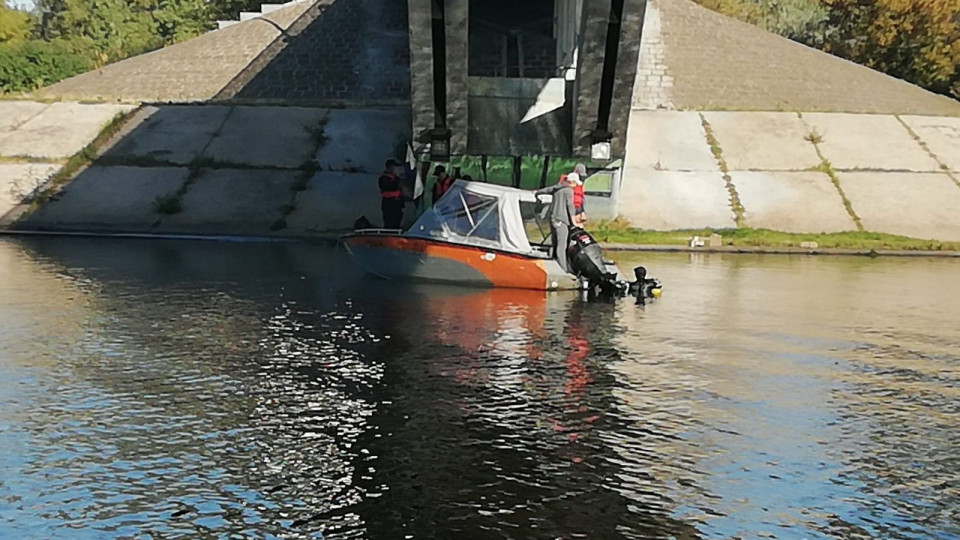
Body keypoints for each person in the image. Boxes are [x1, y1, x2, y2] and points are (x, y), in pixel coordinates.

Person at [535, 172, 578, 273]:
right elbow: (570, 206)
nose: (576, 186)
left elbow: (546, 190)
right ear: (571, 182)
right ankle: (563, 270)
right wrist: (574, 221)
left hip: (553, 219)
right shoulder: (568, 190)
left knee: (555, 244)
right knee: (561, 247)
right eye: (575, 183)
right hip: (562, 221)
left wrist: (536, 192)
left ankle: (553, 267)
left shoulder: (557, 188)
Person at [379, 159, 404, 229]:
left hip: (397, 204)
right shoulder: (384, 178)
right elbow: (389, 186)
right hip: (389, 204)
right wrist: (398, 183)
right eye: (394, 167)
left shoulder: (396, 178)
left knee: (397, 221)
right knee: (390, 223)